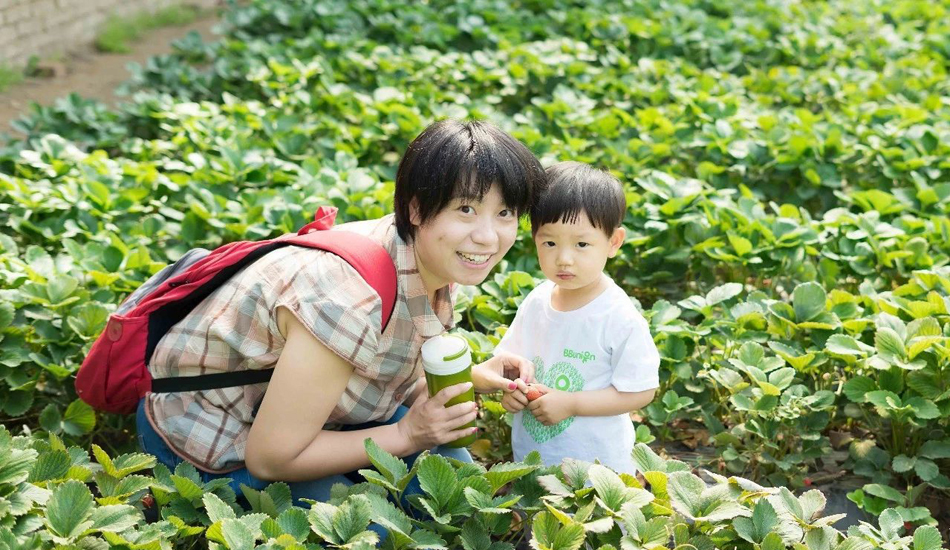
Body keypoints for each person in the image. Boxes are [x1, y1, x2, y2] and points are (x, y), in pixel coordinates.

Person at [135, 119, 544, 504]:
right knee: (370, 530)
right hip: (210, 431)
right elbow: (271, 458)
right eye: (466, 209)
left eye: (504, 213)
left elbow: (385, 359)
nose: (488, 237)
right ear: (417, 209)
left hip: (306, 412)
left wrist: (472, 377)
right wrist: (407, 434)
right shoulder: (345, 299)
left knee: (458, 485)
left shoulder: (431, 252)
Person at [495, 161, 660, 475]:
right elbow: (509, 361)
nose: (564, 259)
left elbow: (641, 390)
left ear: (613, 242)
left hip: (599, 469)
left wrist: (572, 403)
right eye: (550, 243)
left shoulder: (618, 317)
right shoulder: (537, 301)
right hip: (533, 460)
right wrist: (511, 389)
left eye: (582, 244)